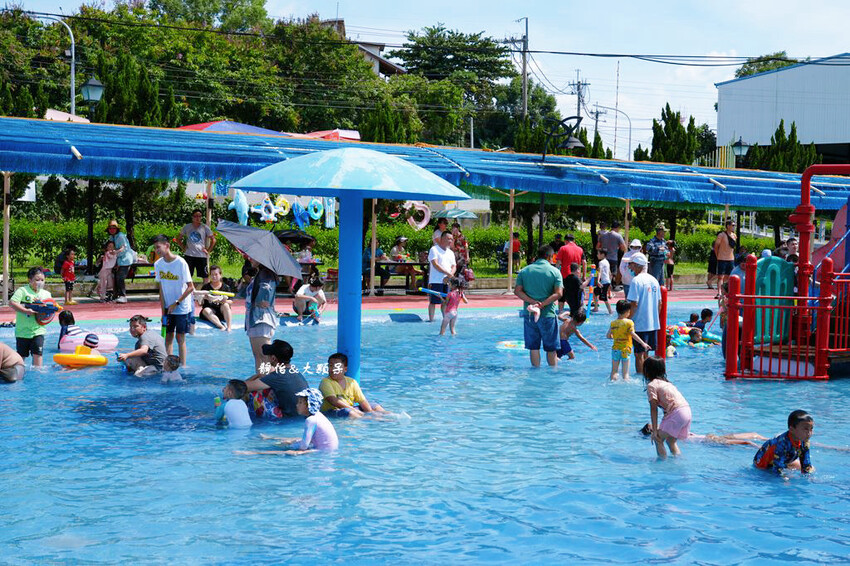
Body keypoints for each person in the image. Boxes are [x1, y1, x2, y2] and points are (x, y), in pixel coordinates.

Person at [239, 389, 339, 455]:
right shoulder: (318, 416)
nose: (297, 405)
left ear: (309, 405)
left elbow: (303, 447)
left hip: (321, 452)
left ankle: (255, 452)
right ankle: (271, 438)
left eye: (300, 403)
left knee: (289, 452)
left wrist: (290, 447)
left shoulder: (310, 420)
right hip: (327, 449)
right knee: (292, 441)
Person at [514, 245, 564, 368]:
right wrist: (543, 304)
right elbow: (559, 293)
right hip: (548, 315)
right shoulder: (555, 272)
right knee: (551, 348)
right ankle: (553, 373)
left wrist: (532, 302)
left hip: (530, 314)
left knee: (533, 347)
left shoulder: (525, 271)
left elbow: (517, 291)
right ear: (550, 256)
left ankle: (535, 371)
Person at [153, 234, 195, 367]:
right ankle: (168, 365)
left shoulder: (181, 263)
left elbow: (190, 287)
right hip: (167, 309)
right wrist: (163, 311)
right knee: (168, 337)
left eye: (158, 247)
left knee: (180, 338)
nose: (157, 250)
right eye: (155, 248)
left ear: (167, 246)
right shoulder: (158, 264)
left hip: (181, 308)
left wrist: (176, 303)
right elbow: (161, 289)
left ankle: (183, 366)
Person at [245, 339, 308, 418]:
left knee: (249, 394)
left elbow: (244, 387)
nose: (266, 358)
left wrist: (258, 375)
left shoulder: (277, 376)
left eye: (268, 356)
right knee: (266, 390)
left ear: (273, 358)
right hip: (301, 415)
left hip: (288, 418)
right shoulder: (294, 371)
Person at [644, 356, 691, 459]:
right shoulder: (667, 383)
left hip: (677, 413)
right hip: (686, 410)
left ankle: (662, 467)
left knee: (658, 439)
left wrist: (655, 432)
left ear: (647, 371)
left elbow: (653, 408)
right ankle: (678, 460)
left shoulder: (652, 385)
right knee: (671, 441)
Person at [9, 267, 52, 367]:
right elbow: (12, 303)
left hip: (38, 330)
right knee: (20, 357)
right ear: (30, 280)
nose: (40, 282)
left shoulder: (46, 294)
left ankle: (37, 376)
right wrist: (25, 311)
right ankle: (18, 374)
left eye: (42, 280)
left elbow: (50, 311)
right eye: (37, 280)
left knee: (38, 354)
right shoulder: (23, 291)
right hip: (23, 331)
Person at [320, 352, 385, 418]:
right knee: (350, 412)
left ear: (345, 369)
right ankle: (368, 420)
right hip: (331, 411)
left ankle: (392, 418)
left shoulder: (352, 382)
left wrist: (371, 412)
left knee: (375, 406)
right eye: (330, 365)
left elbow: (362, 401)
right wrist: (356, 411)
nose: (333, 369)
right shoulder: (325, 382)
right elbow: (333, 401)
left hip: (349, 408)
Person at [627, 252, 661, 375]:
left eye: (630, 264)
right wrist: (655, 318)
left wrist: (628, 320)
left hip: (640, 323)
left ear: (637, 265)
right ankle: (648, 376)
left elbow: (634, 304)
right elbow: (659, 303)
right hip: (653, 323)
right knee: (646, 352)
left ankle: (640, 378)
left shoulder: (636, 281)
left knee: (638, 354)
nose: (629, 267)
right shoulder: (654, 280)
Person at [244, 256, 278, 373]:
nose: (250, 258)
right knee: (259, 357)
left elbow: (264, 298)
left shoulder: (266, 274)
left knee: (263, 358)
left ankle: (270, 385)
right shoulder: (262, 273)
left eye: (253, 256)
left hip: (261, 319)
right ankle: (262, 385)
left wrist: (258, 301)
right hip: (256, 318)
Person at [754, 410, 814, 475]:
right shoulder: (782, 444)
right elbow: (777, 469)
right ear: (791, 429)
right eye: (805, 429)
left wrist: (808, 476)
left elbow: (806, 464)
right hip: (762, 465)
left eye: (811, 429)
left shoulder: (804, 441)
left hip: (782, 460)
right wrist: (784, 479)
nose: (809, 433)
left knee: (812, 469)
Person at [608, 299, 650, 381]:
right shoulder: (629, 322)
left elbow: (608, 335)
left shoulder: (613, 323)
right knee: (625, 374)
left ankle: (612, 382)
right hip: (625, 349)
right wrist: (643, 343)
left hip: (615, 349)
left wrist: (615, 336)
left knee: (614, 371)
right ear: (627, 311)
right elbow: (633, 334)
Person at [176, 209, 216, 284]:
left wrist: (208, 251)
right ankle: (186, 291)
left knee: (205, 276)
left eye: (199, 216)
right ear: (192, 217)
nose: (198, 218)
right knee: (187, 275)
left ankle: (205, 291)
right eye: (195, 216)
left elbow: (213, 240)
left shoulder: (205, 227)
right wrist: (183, 248)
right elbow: (178, 239)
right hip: (189, 255)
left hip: (201, 255)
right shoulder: (187, 227)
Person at [639, 424, 766, 447]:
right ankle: (762, 444)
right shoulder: (670, 435)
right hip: (708, 440)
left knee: (752, 436)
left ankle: (764, 442)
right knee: (747, 442)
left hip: (709, 438)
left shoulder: (671, 434)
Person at [427, 231, 457, 322]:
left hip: (447, 281)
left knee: (445, 302)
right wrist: (448, 273)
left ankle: (445, 318)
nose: (450, 241)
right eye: (448, 238)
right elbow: (435, 264)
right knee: (433, 302)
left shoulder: (450, 253)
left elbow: (454, 266)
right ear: (442, 238)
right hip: (436, 280)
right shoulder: (434, 249)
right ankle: (431, 320)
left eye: (451, 239)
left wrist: (450, 275)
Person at [197, 265, 234, 331]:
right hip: (210, 312)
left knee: (226, 305)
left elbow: (231, 301)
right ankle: (220, 326)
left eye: (216, 274)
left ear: (220, 275)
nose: (214, 277)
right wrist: (203, 298)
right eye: (212, 275)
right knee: (206, 310)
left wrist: (222, 301)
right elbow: (200, 304)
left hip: (222, 311)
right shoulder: (206, 287)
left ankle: (229, 327)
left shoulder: (226, 287)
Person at [107, 219, 133, 304]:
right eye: (110, 228)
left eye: (114, 228)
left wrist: (115, 254)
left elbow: (124, 249)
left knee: (120, 277)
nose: (112, 229)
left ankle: (123, 296)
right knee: (115, 277)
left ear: (117, 229)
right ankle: (116, 295)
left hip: (125, 260)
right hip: (118, 260)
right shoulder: (112, 237)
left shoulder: (120, 236)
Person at [713, 219, 737, 298]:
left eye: (734, 225)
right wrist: (718, 255)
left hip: (730, 259)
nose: (734, 227)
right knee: (721, 276)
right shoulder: (721, 235)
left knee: (729, 276)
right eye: (732, 225)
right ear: (728, 226)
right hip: (722, 258)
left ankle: (726, 291)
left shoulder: (734, 235)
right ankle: (719, 292)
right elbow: (716, 246)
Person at [599, 221, 627, 285]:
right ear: (618, 228)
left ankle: (604, 287)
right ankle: (610, 288)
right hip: (613, 258)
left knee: (603, 273)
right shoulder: (618, 236)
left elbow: (597, 246)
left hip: (604, 258)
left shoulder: (603, 235)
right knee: (612, 274)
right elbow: (624, 248)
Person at [592, 249, 613, 314]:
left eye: (598, 254)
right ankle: (596, 308)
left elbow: (599, 272)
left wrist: (598, 281)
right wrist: (610, 281)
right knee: (595, 292)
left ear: (602, 254)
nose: (597, 255)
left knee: (604, 298)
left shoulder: (601, 262)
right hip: (607, 281)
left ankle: (610, 311)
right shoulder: (607, 262)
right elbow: (609, 272)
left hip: (604, 282)